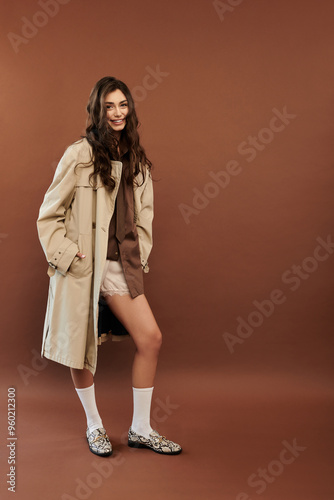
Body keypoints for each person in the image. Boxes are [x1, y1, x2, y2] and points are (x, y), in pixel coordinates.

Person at [37, 76, 182, 457]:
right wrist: (69, 256)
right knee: (80, 348)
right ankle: (95, 425)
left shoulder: (137, 158)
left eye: (123, 105)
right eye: (109, 106)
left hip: (119, 266)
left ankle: (140, 429)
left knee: (150, 338)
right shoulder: (78, 155)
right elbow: (48, 216)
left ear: (129, 109)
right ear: (97, 111)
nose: (117, 113)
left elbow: (143, 216)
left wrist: (139, 255)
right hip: (83, 267)